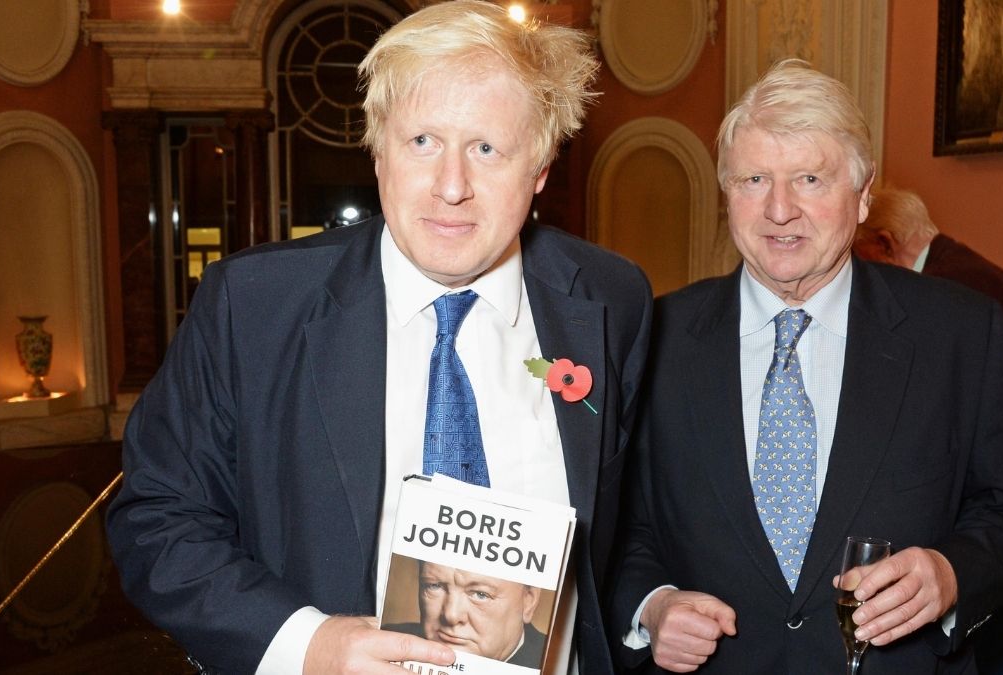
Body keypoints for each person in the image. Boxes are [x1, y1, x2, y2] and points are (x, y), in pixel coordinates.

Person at [106, 2, 652, 674]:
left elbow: (624, 520)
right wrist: (307, 643)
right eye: (423, 141)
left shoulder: (611, 299)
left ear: (539, 169)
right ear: (377, 147)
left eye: (487, 148)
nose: (452, 186)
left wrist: (656, 602)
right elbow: (157, 520)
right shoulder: (251, 306)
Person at [607, 60, 1003, 673]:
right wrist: (651, 606)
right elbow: (618, 525)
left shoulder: (960, 333)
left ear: (864, 193)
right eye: (754, 180)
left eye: (811, 178)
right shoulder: (655, 337)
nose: (779, 209)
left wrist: (950, 576)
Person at [854, 187, 1003, 674]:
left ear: (883, 244)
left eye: (861, 259)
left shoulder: (956, 294)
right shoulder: (962, 266)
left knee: (987, 646)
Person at [384, 562, 547, 668]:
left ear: (528, 601)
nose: (451, 615)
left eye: (481, 594)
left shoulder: (558, 665)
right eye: (434, 586)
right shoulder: (385, 643)